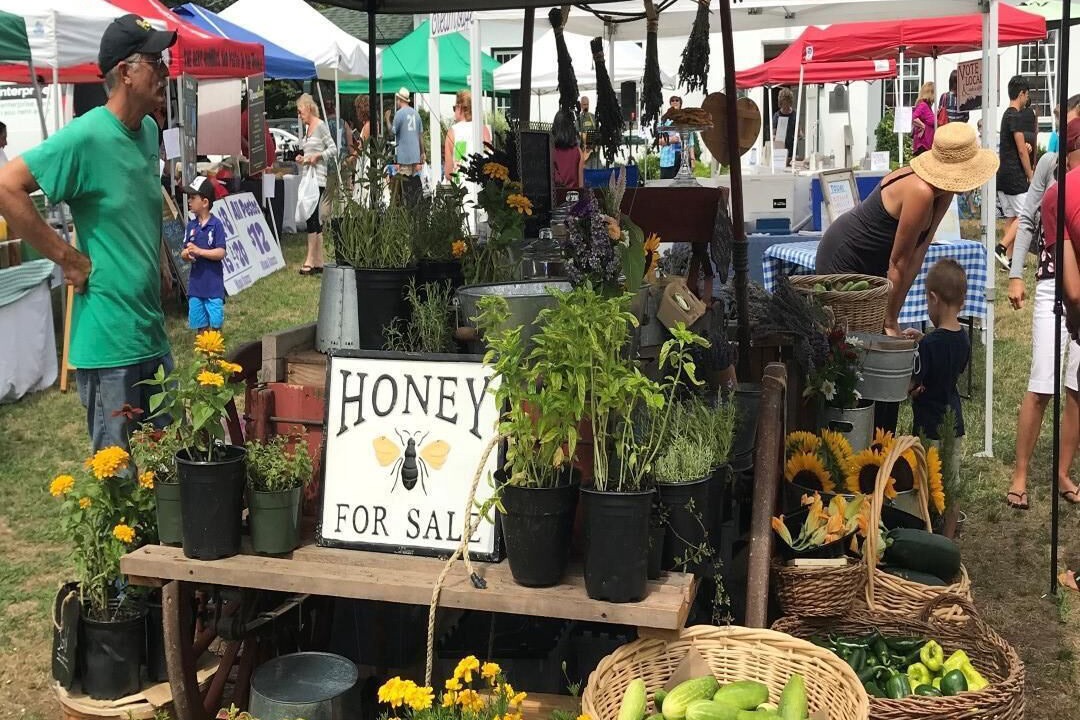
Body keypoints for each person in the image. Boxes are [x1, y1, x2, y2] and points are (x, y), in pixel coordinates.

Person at [0, 14, 177, 451]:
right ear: (126, 72)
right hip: (109, 341)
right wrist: (68, 257)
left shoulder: (149, 130)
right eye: (156, 61)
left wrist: (160, 260)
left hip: (151, 332)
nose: (166, 72)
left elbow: (141, 203)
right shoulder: (86, 136)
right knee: (118, 475)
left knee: (170, 465)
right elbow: (7, 186)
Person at [817, 122, 998, 337]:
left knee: (876, 336)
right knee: (852, 342)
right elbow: (898, 263)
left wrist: (892, 317)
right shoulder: (921, 192)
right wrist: (891, 322)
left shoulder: (944, 192)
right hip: (844, 256)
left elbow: (917, 254)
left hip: (872, 264)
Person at [1006, 114, 1080, 510]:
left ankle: (1063, 472)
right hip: (1053, 280)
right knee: (1042, 380)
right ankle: (1020, 473)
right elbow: (1028, 218)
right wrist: (1016, 274)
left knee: (1077, 385)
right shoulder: (1052, 166)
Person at [905, 259, 969, 486]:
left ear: (933, 298)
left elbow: (912, 384)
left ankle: (925, 521)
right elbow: (951, 362)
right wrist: (924, 339)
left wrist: (911, 389)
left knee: (923, 480)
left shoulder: (929, 345)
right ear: (962, 302)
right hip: (954, 422)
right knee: (951, 483)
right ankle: (951, 523)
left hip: (929, 423)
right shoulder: (964, 338)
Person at [995, 76, 1035, 268]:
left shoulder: (1006, 115)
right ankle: (1001, 247)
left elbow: (1017, 146)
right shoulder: (1016, 116)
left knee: (1011, 217)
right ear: (1022, 94)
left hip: (1003, 174)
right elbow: (1020, 150)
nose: (1027, 99)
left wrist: (1025, 147)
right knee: (1025, 215)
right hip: (1015, 176)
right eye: (1027, 95)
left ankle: (1008, 260)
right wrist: (1030, 174)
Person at [295, 92, 336, 276]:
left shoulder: (320, 125)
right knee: (313, 216)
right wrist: (303, 158)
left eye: (300, 110)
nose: (299, 114)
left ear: (308, 108)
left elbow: (333, 148)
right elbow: (310, 150)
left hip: (318, 176)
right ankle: (319, 260)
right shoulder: (307, 129)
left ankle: (310, 259)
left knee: (311, 215)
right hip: (307, 175)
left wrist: (317, 157)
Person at [181, 176, 227, 335]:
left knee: (215, 327)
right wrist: (187, 254)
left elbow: (221, 252)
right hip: (196, 286)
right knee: (200, 328)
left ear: (205, 202)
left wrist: (200, 251)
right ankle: (202, 357)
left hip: (213, 286)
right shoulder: (191, 226)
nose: (189, 201)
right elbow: (183, 251)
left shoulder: (216, 225)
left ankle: (215, 357)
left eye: (193, 198)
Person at [443, 90, 492, 181]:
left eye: (454, 108)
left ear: (460, 107)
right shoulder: (483, 129)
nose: (454, 112)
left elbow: (448, 173)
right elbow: (490, 161)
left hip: (460, 189)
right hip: (482, 188)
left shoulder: (452, 131)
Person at [392, 87, 424, 206]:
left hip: (404, 155)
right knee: (415, 181)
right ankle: (417, 205)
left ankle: (408, 207)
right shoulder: (416, 114)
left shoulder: (399, 114)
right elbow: (420, 135)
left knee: (405, 183)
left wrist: (387, 120)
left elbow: (393, 131)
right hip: (415, 154)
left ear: (399, 100)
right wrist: (422, 152)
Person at [551, 110, 591, 189]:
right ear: (571, 129)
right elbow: (581, 186)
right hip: (574, 199)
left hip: (554, 199)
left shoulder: (550, 151)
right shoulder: (578, 152)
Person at [659, 95, 687, 179]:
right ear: (670, 103)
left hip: (683, 157)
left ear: (680, 103)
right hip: (668, 158)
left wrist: (692, 159)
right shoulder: (665, 120)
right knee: (667, 186)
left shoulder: (685, 119)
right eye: (672, 100)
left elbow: (691, 141)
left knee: (682, 187)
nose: (674, 102)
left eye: (677, 100)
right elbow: (659, 141)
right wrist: (671, 140)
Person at [772, 87, 797, 165]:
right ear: (781, 103)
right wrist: (774, 137)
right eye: (784, 103)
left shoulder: (794, 114)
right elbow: (773, 133)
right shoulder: (777, 115)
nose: (785, 106)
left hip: (793, 148)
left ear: (790, 102)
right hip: (781, 149)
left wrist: (800, 135)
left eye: (787, 103)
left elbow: (799, 130)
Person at [911, 82, 936, 157]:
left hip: (927, 144)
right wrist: (923, 126)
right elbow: (913, 117)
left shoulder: (927, 106)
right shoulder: (923, 105)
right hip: (923, 144)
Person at [578, 95, 599, 168]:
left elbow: (597, 131)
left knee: (595, 169)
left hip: (594, 150)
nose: (586, 106)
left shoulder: (593, 117)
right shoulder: (579, 118)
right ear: (581, 105)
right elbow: (577, 133)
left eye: (587, 104)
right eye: (584, 104)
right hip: (585, 150)